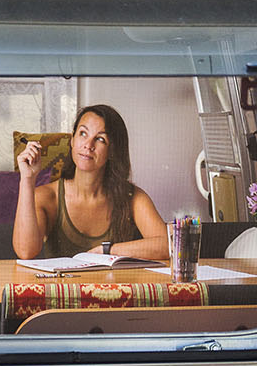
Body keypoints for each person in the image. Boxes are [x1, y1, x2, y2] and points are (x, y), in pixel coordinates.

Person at [12, 104, 168, 261]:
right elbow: (25, 252)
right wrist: (27, 179)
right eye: (83, 133)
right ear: (72, 140)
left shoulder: (132, 197)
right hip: (62, 286)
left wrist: (107, 251)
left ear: (112, 150)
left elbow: (168, 246)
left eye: (100, 139)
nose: (88, 145)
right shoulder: (46, 196)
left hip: (116, 286)